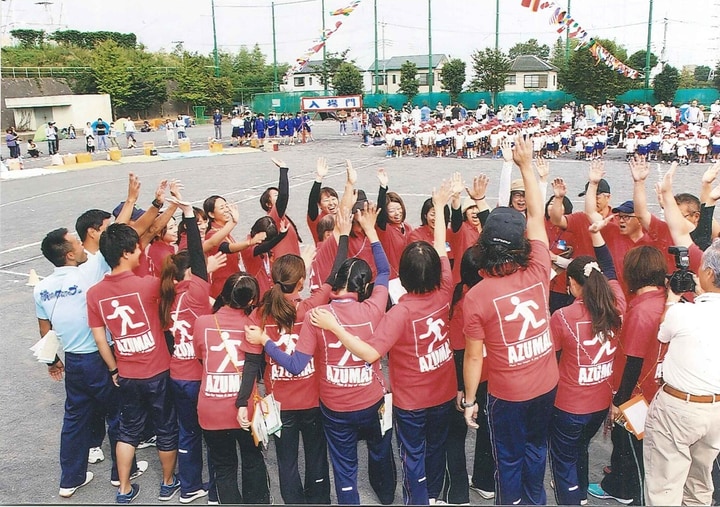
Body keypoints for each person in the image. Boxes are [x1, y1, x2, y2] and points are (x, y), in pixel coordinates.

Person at [315, 178, 457, 504]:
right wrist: (439, 204)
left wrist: (335, 328)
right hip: (444, 390)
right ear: (436, 272)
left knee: (413, 455)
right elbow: (439, 248)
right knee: (436, 449)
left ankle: (419, 499)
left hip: (412, 402)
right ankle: (434, 496)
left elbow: (369, 352)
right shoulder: (445, 290)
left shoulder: (400, 313)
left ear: (403, 277)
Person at [250, 203, 397, 505]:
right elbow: (379, 270)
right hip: (362, 398)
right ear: (365, 286)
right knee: (376, 449)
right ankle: (382, 494)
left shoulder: (310, 312)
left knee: (327, 464)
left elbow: (294, 362)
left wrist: (266, 340)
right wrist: (363, 233)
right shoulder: (363, 307)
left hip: (320, 403)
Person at [463, 135, 558, 505]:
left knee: (508, 458)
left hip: (508, 395)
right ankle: (535, 500)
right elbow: (536, 215)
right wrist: (526, 165)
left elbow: (474, 357)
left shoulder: (477, 296)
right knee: (536, 450)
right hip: (546, 383)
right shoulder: (538, 268)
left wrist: (471, 399)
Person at [243, 212, 353, 505]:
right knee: (316, 454)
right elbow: (335, 272)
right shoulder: (310, 308)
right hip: (312, 398)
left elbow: (253, 361)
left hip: (280, 403)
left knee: (286, 460)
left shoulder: (260, 314)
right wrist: (342, 235)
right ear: (302, 282)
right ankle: (319, 500)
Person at [34, 228, 146, 499]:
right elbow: (124, 229)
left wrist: (53, 361)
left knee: (74, 419)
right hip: (99, 356)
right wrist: (134, 200)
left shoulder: (41, 288)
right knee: (118, 413)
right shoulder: (88, 272)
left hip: (73, 360)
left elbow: (44, 330)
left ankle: (70, 479)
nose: (84, 246)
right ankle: (122, 472)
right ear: (70, 254)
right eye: (76, 242)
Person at [87, 223, 179, 503]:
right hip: (158, 369)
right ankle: (167, 482)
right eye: (137, 247)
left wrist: (114, 368)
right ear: (127, 253)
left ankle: (124, 488)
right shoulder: (147, 285)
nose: (141, 250)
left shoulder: (94, 293)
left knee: (128, 431)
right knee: (165, 427)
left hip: (126, 371)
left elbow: (101, 339)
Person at [549, 214, 626, 506]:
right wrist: (597, 237)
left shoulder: (563, 316)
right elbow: (610, 270)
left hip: (569, 404)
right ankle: (580, 496)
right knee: (580, 450)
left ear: (572, 283)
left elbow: (551, 358)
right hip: (599, 403)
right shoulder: (616, 303)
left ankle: (572, 498)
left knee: (563, 462)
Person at [588, 245, 669, 505]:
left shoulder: (641, 312)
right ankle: (619, 483)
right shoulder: (667, 301)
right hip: (660, 388)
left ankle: (624, 489)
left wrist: (618, 401)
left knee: (629, 445)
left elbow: (632, 361)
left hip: (637, 396)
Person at [642, 239, 720, 506]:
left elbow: (663, 332)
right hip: (715, 411)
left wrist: (673, 299)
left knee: (664, 488)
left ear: (709, 274)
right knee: (700, 484)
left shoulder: (684, 313)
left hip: (679, 408)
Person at [158, 200, 227, 504]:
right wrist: (188, 214)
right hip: (201, 375)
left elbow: (196, 258)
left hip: (177, 374)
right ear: (189, 274)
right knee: (211, 433)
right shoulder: (198, 292)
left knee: (187, 433)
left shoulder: (163, 298)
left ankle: (188, 487)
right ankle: (214, 492)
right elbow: (199, 254)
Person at [193, 273, 271, 504]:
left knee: (224, 467)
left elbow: (201, 357)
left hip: (210, 408)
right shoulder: (253, 325)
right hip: (244, 409)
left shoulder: (202, 323)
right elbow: (252, 367)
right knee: (252, 459)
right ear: (250, 301)